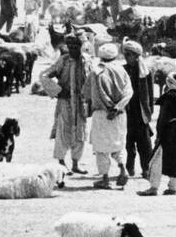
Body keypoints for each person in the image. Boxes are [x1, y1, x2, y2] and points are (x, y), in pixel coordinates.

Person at [87, 42, 133, 189]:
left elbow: (95, 92)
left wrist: (109, 107)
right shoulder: (122, 71)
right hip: (120, 114)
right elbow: (128, 92)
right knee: (118, 145)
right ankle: (123, 169)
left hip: (102, 114)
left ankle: (105, 178)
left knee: (101, 148)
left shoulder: (96, 71)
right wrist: (118, 107)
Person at [45, 34, 90, 174]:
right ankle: (61, 162)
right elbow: (45, 75)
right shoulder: (63, 61)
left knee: (80, 133)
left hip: (81, 103)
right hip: (65, 102)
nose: (72, 49)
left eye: (76, 46)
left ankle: (76, 163)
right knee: (63, 131)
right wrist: (57, 91)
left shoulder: (87, 61)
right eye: (70, 46)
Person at [142, 74, 176, 196]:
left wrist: (159, 135)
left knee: (158, 158)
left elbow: (162, 118)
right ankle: (173, 187)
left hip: (168, 130)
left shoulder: (168, 98)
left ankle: (153, 187)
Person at [121, 40, 154, 185]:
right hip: (127, 110)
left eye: (129, 54)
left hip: (140, 111)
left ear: (136, 56)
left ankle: (146, 168)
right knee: (128, 141)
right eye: (125, 54)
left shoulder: (146, 73)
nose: (126, 57)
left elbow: (150, 95)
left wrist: (149, 112)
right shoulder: (122, 70)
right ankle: (129, 166)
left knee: (144, 143)